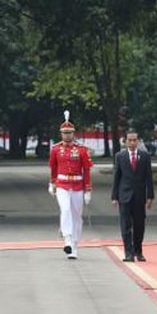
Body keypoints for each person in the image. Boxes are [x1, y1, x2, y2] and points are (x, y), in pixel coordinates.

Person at [48, 110, 93, 259]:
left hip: (78, 185)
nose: (67, 135)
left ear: (73, 134)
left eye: (69, 133)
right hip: (62, 184)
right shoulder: (55, 149)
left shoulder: (81, 150)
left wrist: (88, 189)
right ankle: (67, 239)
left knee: (77, 216)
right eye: (64, 133)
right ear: (61, 134)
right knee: (65, 209)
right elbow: (53, 168)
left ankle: (74, 245)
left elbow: (86, 169)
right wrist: (52, 183)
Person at [111, 131, 154, 262]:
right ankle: (128, 253)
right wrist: (114, 196)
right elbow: (117, 177)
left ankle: (138, 251)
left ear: (138, 141)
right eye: (129, 140)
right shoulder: (120, 156)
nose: (132, 142)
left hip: (140, 196)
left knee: (139, 225)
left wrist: (150, 196)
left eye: (135, 140)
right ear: (125, 142)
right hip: (124, 196)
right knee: (125, 225)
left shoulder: (145, 156)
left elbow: (149, 177)